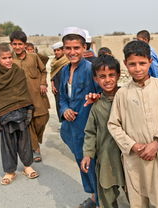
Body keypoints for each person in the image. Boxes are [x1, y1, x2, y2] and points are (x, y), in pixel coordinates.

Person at [108, 40, 158, 208]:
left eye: (142, 63)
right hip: (136, 158)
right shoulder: (122, 94)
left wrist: (157, 143)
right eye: (132, 64)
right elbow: (113, 125)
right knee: (139, 199)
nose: (138, 68)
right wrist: (132, 145)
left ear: (150, 62)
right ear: (125, 64)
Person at [0, 43, 39, 185]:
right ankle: (10, 171)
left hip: (21, 112)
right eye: (4, 58)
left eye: (10, 57)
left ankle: (27, 166)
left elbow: (24, 92)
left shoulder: (18, 72)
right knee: (7, 144)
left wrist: (27, 111)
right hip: (4, 117)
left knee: (24, 140)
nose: (8, 60)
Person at [59, 27, 100, 208]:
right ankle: (93, 197)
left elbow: (102, 94)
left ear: (84, 48)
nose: (72, 52)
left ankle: (101, 200)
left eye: (76, 48)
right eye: (68, 48)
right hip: (72, 128)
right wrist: (65, 109)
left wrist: (94, 98)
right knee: (80, 161)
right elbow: (61, 97)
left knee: (93, 163)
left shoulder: (91, 69)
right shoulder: (64, 71)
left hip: (89, 127)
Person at [81, 55, 125, 208]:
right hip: (106, 157)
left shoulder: (126, 97)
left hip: (127, 156)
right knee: (107, 194)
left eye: (111, 75)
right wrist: (88, 154)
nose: (107, 80)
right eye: (102, 76)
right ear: (95, 79)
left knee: (135, 194)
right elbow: (90, 132)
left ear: (118, 75)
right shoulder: (97, 105)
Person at [10, 31, 50, 163]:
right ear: (11, 44)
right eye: (14, 44)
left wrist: (43, 83)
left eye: (19, 44)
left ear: (24, 44)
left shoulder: (34, 57)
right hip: (21, 99)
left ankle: (35, 141)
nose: (17, 47)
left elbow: (44, 71)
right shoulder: (10, 60)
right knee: (29, 123)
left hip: (38, 96)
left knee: (42, 119)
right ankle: (35, 149)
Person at [50, 41, 69, 122]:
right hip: (57, 86)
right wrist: (52, 85)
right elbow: (52, 75)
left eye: (58, 50)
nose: (56, 52)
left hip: (66, 87)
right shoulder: (54, 62)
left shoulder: (67, 61)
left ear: (63, 51)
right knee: (58, 104)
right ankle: (61, 121)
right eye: (55, 51)